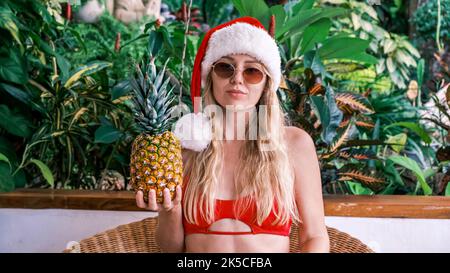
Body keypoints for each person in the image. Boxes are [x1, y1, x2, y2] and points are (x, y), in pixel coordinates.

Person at [135, 16, 329, 253]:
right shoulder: (188, 147)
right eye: (226, 67)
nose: (237, 78)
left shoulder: (294, 144)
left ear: (266, 83)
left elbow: (315, 236)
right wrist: (170, 211)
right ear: (211, 76)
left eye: (252, 72)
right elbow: (172, 249)